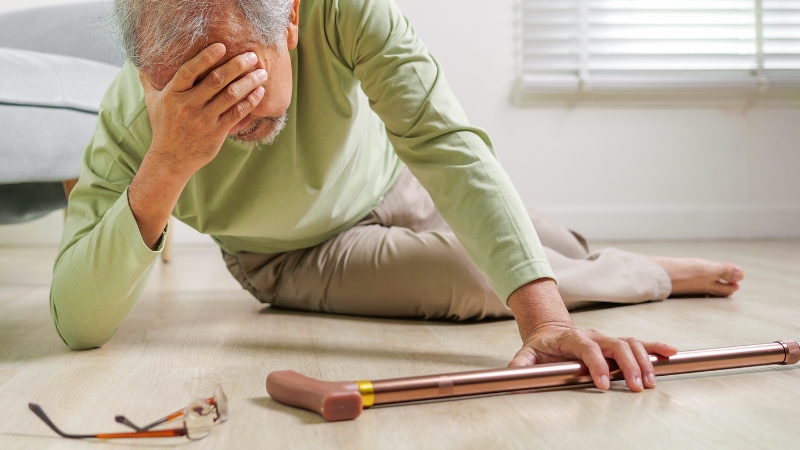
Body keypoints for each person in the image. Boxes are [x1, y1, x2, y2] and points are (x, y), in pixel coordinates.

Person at [51, 0, 744, 394]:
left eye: (239, 83)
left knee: (528, 241)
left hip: (393, 182)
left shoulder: (343, 10)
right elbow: (78, 320)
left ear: (289, 23)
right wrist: (168, 162)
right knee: (473, 277)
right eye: (191, 94)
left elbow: (447, 144)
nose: (223, 119)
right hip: (290, 253)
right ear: (145, 74)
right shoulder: (131, 113)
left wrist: (543, 315)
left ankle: (610, 266)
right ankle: (644, 275)